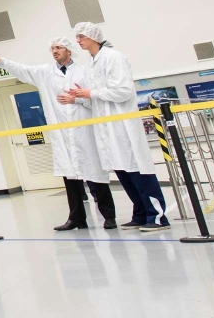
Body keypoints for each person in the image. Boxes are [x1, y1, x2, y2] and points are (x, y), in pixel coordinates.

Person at [0, 39, 116, 231]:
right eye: (52, 49)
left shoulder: (85, 71)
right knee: (70, 177)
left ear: (69, 50)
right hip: (62, 134)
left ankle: (109, 216)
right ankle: (77, 219)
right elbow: (24, 70)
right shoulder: (45, 73)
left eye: (59, 48)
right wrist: (2, 62)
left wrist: (77, 99)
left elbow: (95, 100)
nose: (55, 51)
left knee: (96, 174)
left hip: (85, 132)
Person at [62, 21, 170, 232]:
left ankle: (156, 216)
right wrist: (80, 97)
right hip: (108, 128)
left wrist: (91, 93)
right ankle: (140, 213)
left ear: (93, 36)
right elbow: (99, 97)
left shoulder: (113, 57)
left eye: (81, 37)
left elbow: (123, 92)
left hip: (123, 126)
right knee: (123, 171)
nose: (78, 41)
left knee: (137, 169)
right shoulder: (93, 63)